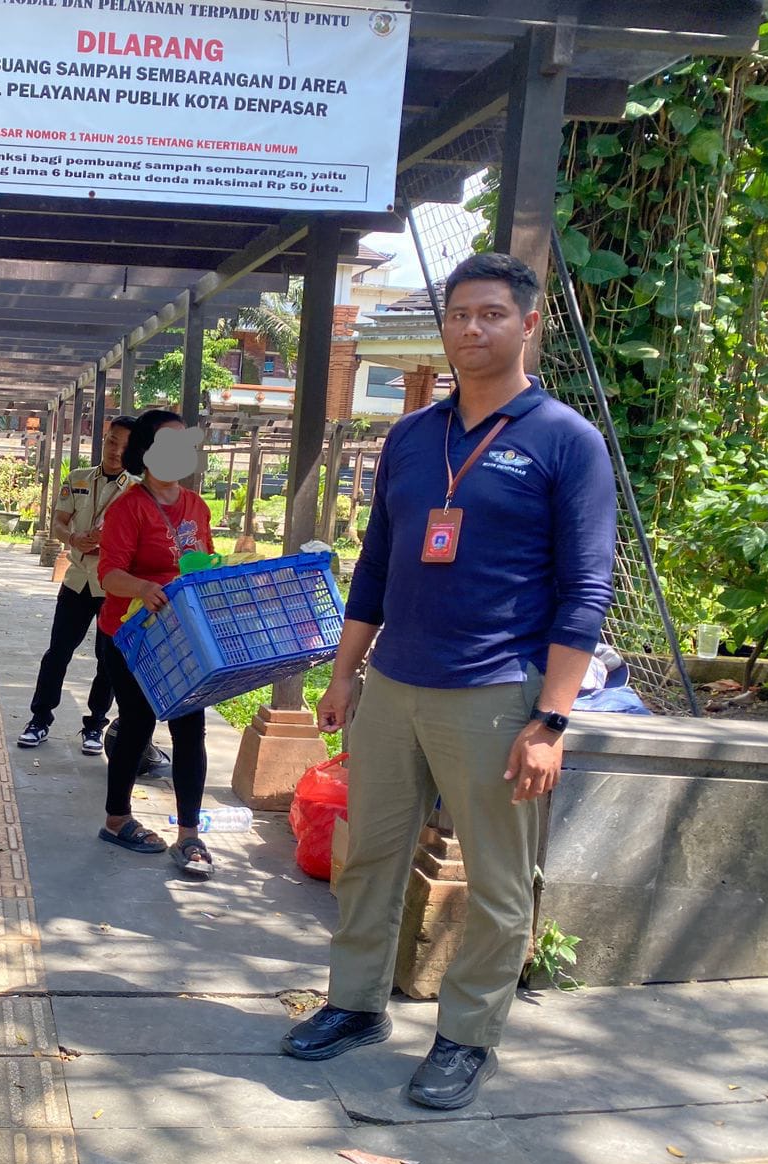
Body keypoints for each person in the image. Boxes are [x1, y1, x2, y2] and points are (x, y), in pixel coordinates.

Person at [281, 253, 616, 1111]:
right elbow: (379, 563)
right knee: (368, 862)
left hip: (498, 693)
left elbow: (585, 589)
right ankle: (356, 1005)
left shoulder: (564, 440)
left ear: (528, 324)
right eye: (460, 315)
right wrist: (346, 673)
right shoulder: (410, 436)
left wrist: (552, 720)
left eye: (492, 314)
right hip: (393, 685)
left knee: (498, 886)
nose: (472, 328)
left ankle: (468, 1038)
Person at [92, 408, 216, 877]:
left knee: (190, 729)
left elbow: (197, 563)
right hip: (132, 635)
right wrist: (143, 588)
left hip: (182, 636)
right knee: (139, 723)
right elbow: (109, 575)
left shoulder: (197, 507)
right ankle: (117, 818)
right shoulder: (127, 508)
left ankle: (189, 836)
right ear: (146, 453)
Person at [19, 416, 136, 755]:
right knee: (57, 652)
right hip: (77, 581)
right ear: (104, 439)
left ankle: (95, 725)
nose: (116, 451)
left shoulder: (137, 490)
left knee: (108, 659)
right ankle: (39, 719)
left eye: (125, 445)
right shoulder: (78, 478)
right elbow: (58, 520)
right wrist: (73, 538)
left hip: (113, 587)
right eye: (112, 441)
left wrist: (108, 543)